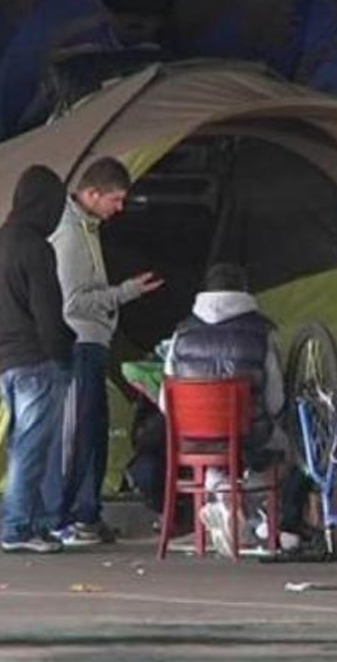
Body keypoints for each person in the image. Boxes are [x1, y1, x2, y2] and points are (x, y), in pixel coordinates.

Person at [43, 157, 164, 546]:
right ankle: (63, 518)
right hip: (80, 342)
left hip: (94, 342)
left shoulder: (87, 227)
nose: (119, 208)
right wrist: (126, 293)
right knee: (79, 433)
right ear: (92, 194)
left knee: (93, 432)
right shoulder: (70, 234)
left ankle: (86, 515)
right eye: (115, 199)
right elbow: (74, 301)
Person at [163, 262, 302, 557]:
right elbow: (275, 400)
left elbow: (167, 402)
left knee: (220, 449)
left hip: (192, 440)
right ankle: (251, 511)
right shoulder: (262, 331)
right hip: (249, 437)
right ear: (245, 291)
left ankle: (221, 490)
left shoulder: (182, 333)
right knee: (289, 451)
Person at [0, 165, 76, 554]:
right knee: (32, 449)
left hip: (5, 360)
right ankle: (18, 528)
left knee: (24, 445)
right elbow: (48, 315)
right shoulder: (36, 248)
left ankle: (33, 523)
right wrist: (64, 351)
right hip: (38, 361)